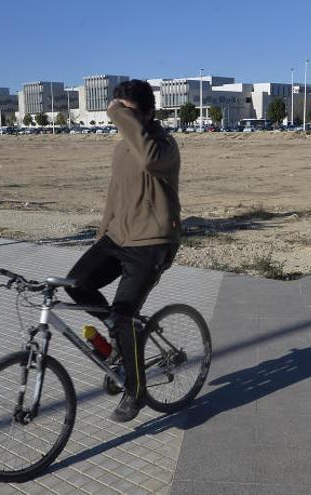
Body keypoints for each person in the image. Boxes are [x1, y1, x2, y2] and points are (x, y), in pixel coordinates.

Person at [64, 79, 181, 422]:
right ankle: (120, 338)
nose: (117, 117)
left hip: (152, 243)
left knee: (124, 314)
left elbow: (147, 158)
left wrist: (118, 113)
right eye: (115, 111)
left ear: (146, 113)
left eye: (126, 112)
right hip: (118, 238)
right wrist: (102, 236)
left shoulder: (163, 146)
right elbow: (115, 195)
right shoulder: (120, 149)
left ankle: (137, 390)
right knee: (76, 284)